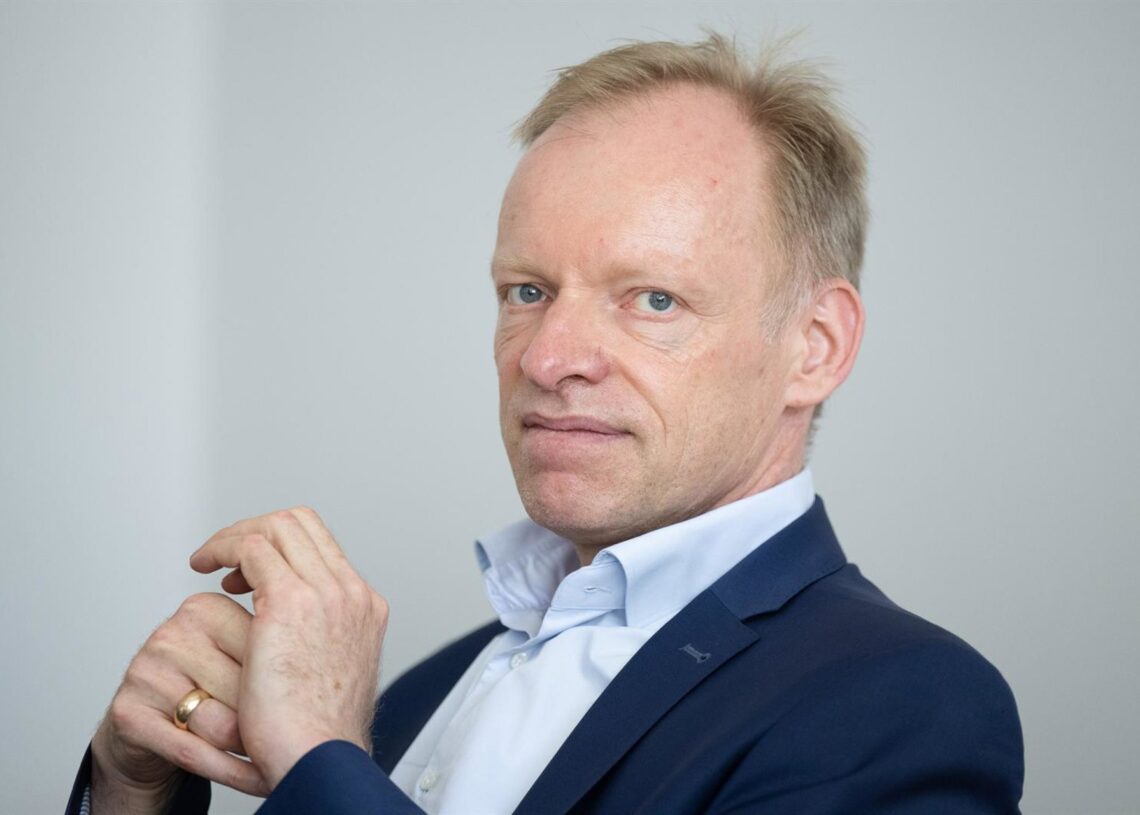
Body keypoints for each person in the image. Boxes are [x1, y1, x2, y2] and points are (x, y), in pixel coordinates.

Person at [68, 33, 1024, 814]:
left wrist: (321, 752)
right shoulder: (427, 690)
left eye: (651, 299)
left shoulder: (902, 703)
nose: (546, 355)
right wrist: (132, 791)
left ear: (813, 346)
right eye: (527, 289)